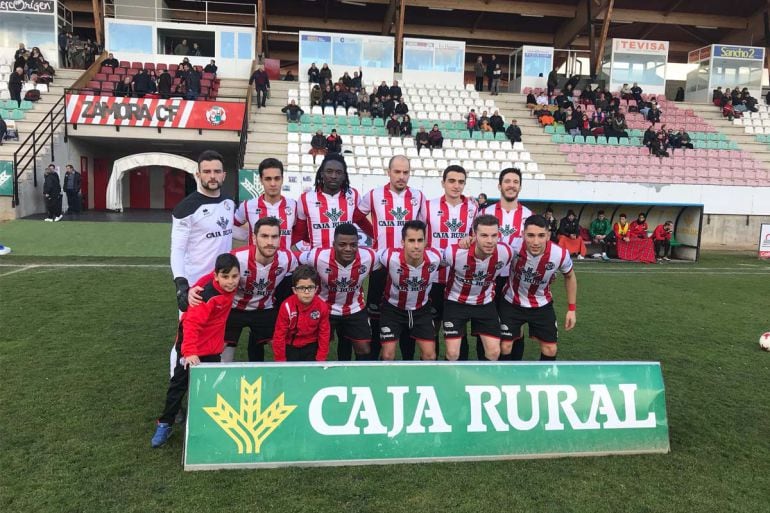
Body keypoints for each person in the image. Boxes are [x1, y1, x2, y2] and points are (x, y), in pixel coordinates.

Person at [150, 253, 240, 448]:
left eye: (234, 276)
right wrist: (189, 352)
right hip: (190, 345)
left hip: (212, 348)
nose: (231, 282)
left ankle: (207, 423)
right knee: (178, 386)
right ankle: (165, 423)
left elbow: (215, 274)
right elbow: (190, 324)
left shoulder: (226, 285)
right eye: (225, 277)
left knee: (210, 388)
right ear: (216, 276)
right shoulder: (205, 296)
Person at [170, 150, 237, 376]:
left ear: (224, 175)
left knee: (219, 335)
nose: (212, 176)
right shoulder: (186, 208)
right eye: (207, 171)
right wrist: (181, 284)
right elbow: (177, 249)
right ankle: (177, 386)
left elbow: (231, 229)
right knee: (186, 339)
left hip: (223, 284)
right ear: (197, 174)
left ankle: (212, 384)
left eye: (217, 171)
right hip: (197, 288)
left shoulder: (228, 202)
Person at [358, 155, 425, 360]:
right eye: (397, 172)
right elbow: (358, 216)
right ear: (389, 172)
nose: (401, 176)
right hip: (381, 265)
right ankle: (374, 359)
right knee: (376, 314)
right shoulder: (373, 195)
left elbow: (422, 228)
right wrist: (374, 234)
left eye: (405, 172)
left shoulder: (418, 196)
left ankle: (408, 359)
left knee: (407, 312)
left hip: (409, 265)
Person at [499, 215, 577, 361]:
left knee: (550, 349)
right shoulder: (512, 247)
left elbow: (570, 276)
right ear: (522, 235)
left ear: (548, 235)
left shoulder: (559, 254)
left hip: (541, 304)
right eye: (530, 235)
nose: (536, 242)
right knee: (505, 346)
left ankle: (544, 382)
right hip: (512, 302)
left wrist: (571, 309)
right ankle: (507, 380)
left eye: (541, 236)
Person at [299, 223, 376, 361]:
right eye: (342, 244)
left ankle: (359, 379)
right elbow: (294, 259)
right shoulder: (317, 257)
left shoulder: (369, 257)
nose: (348, 249)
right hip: (325, 308)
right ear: (334, 244)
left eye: (353, 245)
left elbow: (390, 259)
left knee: (364, 349)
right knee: (315, 347)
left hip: (354, 308)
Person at [425, 166, 478, 360]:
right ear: (443, 183)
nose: (456, 186)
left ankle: (458, 367)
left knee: (458, 327)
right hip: (434, 278)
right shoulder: (428, 206)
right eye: (452, 181)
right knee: (433, 326)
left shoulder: (473, 208)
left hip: (461, 279)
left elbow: (478, 236)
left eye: (461, 182)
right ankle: (431, 365)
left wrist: (471, 240)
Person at [442, 214, 513, 361]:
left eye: (494, 235)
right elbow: (432, 265)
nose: (489, 241)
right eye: (484, 235)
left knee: (494, 352)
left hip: (484, 303)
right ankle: (451, 381)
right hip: (456, 302)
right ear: (474, 235)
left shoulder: (506, 252)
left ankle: (485, 382)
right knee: (453, 353)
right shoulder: (454, 253)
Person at [377, 221, 442, 361]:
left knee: (430, 355)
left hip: (422, 310)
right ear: (403, 242)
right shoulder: (388, 257)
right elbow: (367, 258)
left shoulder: (436, 257)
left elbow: (458, 254)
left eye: (420, 240)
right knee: (387, 355)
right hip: (393, 309)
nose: (416, 246)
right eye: (411, 240)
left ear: (426, 242)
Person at [295, 153, 370, 249]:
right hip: (319, 258)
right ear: (322, 173)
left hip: (346, 259)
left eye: (338, 172)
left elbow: (361, 221)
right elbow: (300, 232)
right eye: (329, 171)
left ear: (344, 176)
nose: (334, 176)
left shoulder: (353, 195)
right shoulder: (305, 198)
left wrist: (378, 239)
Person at [272, 265, 330, 362]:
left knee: (311, 374)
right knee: (291, 374)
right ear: (294, 290)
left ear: (316, 289)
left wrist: (321, 358)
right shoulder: (286, 306)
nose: (306, 292)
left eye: (310, 287)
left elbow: (324, 333)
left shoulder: (322, 306)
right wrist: (280, 360)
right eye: (302, 288)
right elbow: (279, 334)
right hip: (290, 346)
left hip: (311, 346)